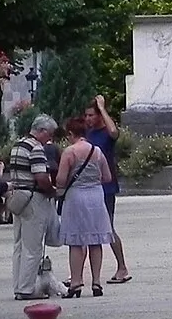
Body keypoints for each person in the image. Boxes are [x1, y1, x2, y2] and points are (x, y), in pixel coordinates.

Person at [54, 115, 115, 297]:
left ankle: (76, 282)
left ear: (71, 134)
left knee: (76, 241)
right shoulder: (96, 151)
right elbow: (107, 177)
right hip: (96, 196)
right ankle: (96, 282)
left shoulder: (70, 152)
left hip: (76, 197)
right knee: (96, 241)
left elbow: (61, 179)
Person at [8, 116, 62, 300]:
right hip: (33, 198)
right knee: (33, 247)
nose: (50, 138)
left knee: (19, 245)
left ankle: (18, 285)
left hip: (18, 198)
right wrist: (51, 190)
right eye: (50, 134)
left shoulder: (18, 145)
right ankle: (27, 289)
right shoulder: (36, 148)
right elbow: (41, 177)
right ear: (42, 131)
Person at [86, 95, 131, 283]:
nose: (87, 119)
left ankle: (122, 267)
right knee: (87, 229)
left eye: (91, 115)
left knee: (108, 227)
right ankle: (81, 272)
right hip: (89, 185)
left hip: (106, 186)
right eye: (86, 115)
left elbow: (114, 132)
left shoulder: (105, 133)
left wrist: (103, 108)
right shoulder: (88, 134)